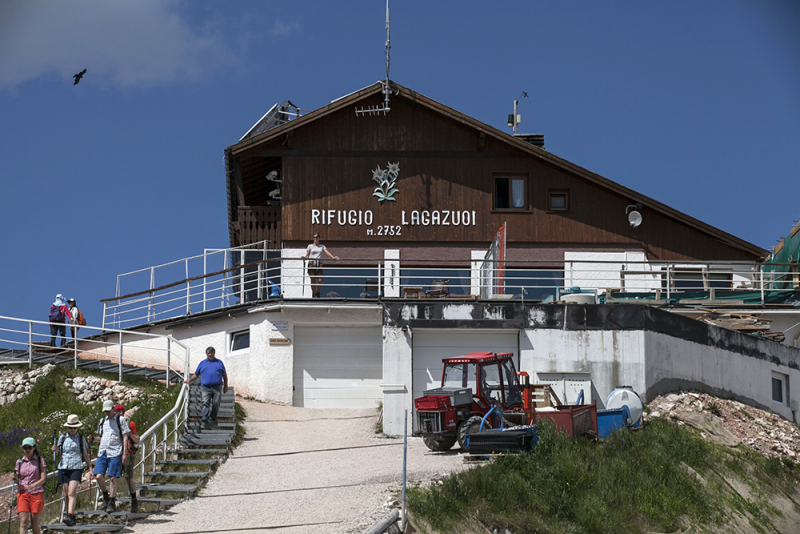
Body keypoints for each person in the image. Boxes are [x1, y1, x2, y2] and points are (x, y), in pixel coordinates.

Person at [91, 400, 130, 513]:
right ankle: (106, 496)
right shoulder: (102, 421)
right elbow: (101, 438)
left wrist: (124, 453)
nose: (107, 413)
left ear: (113, 409)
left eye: (109, 410)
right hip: (103, 451)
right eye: (105, 411)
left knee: (113, 477)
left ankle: (112, 501)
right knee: (98, 476)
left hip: (115, 452)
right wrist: (93, 439)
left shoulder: (120, 420)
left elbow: (125, 437)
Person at [52, 415, 91, 526]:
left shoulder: (80, 438)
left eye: (74, 428)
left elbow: (85, 454)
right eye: (70, 428)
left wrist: (90, 467)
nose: (72, 430)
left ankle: (70, 514)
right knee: (65, 494)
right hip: (63, 467)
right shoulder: (62, 438)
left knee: (72, 492)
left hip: (76, 467)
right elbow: (59, 454)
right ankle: (71, 516)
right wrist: (55, 450)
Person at [185, 346, 228, 429]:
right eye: (209, 353)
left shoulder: (219, 362)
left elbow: (224, 375)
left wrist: (226, 386)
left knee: (216, 403)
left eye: (212, 353)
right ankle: (204, 420)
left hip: (217, 387)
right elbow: (196, 374)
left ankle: (212, 418)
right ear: (206, 354)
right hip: (205, 387)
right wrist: (189, 380)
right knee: (205, 403)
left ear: (214, 353)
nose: (210, 354)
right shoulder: (202, 363)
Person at [13, 437, 47, 534]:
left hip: (37, 493)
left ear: (34, 448)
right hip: (23, 494)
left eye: (29, 447)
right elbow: (18, 480)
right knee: (23, 522)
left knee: (34, 524)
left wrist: (32, 486)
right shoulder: (19, 462)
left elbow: (43, 479)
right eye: (25, 447)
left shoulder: (40, 460)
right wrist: (15, 478)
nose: (27, 450)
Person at [114, 404, 140, 513]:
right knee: (113, 477)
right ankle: (112, 501)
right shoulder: (112, 424)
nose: (119, 414)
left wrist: (130, 434)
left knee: (128, 478)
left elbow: (137, 439)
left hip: (127, 453)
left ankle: (134, 501)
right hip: (115, 453)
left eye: (120, 412)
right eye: (117, 412)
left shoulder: (130, 424)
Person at [302, 233, 339, 298]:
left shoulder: (322, 246)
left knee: (319, 280)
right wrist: (304, 258)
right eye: (314, 237)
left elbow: (327, 252)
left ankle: (318, 292)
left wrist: (332, 257)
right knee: (312, 280)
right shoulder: (310, 246)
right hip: (311, 263)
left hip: (319, 263)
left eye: (316, 237)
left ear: (319, 238)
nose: (315, 238)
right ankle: (314, 294)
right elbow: (307, 255)